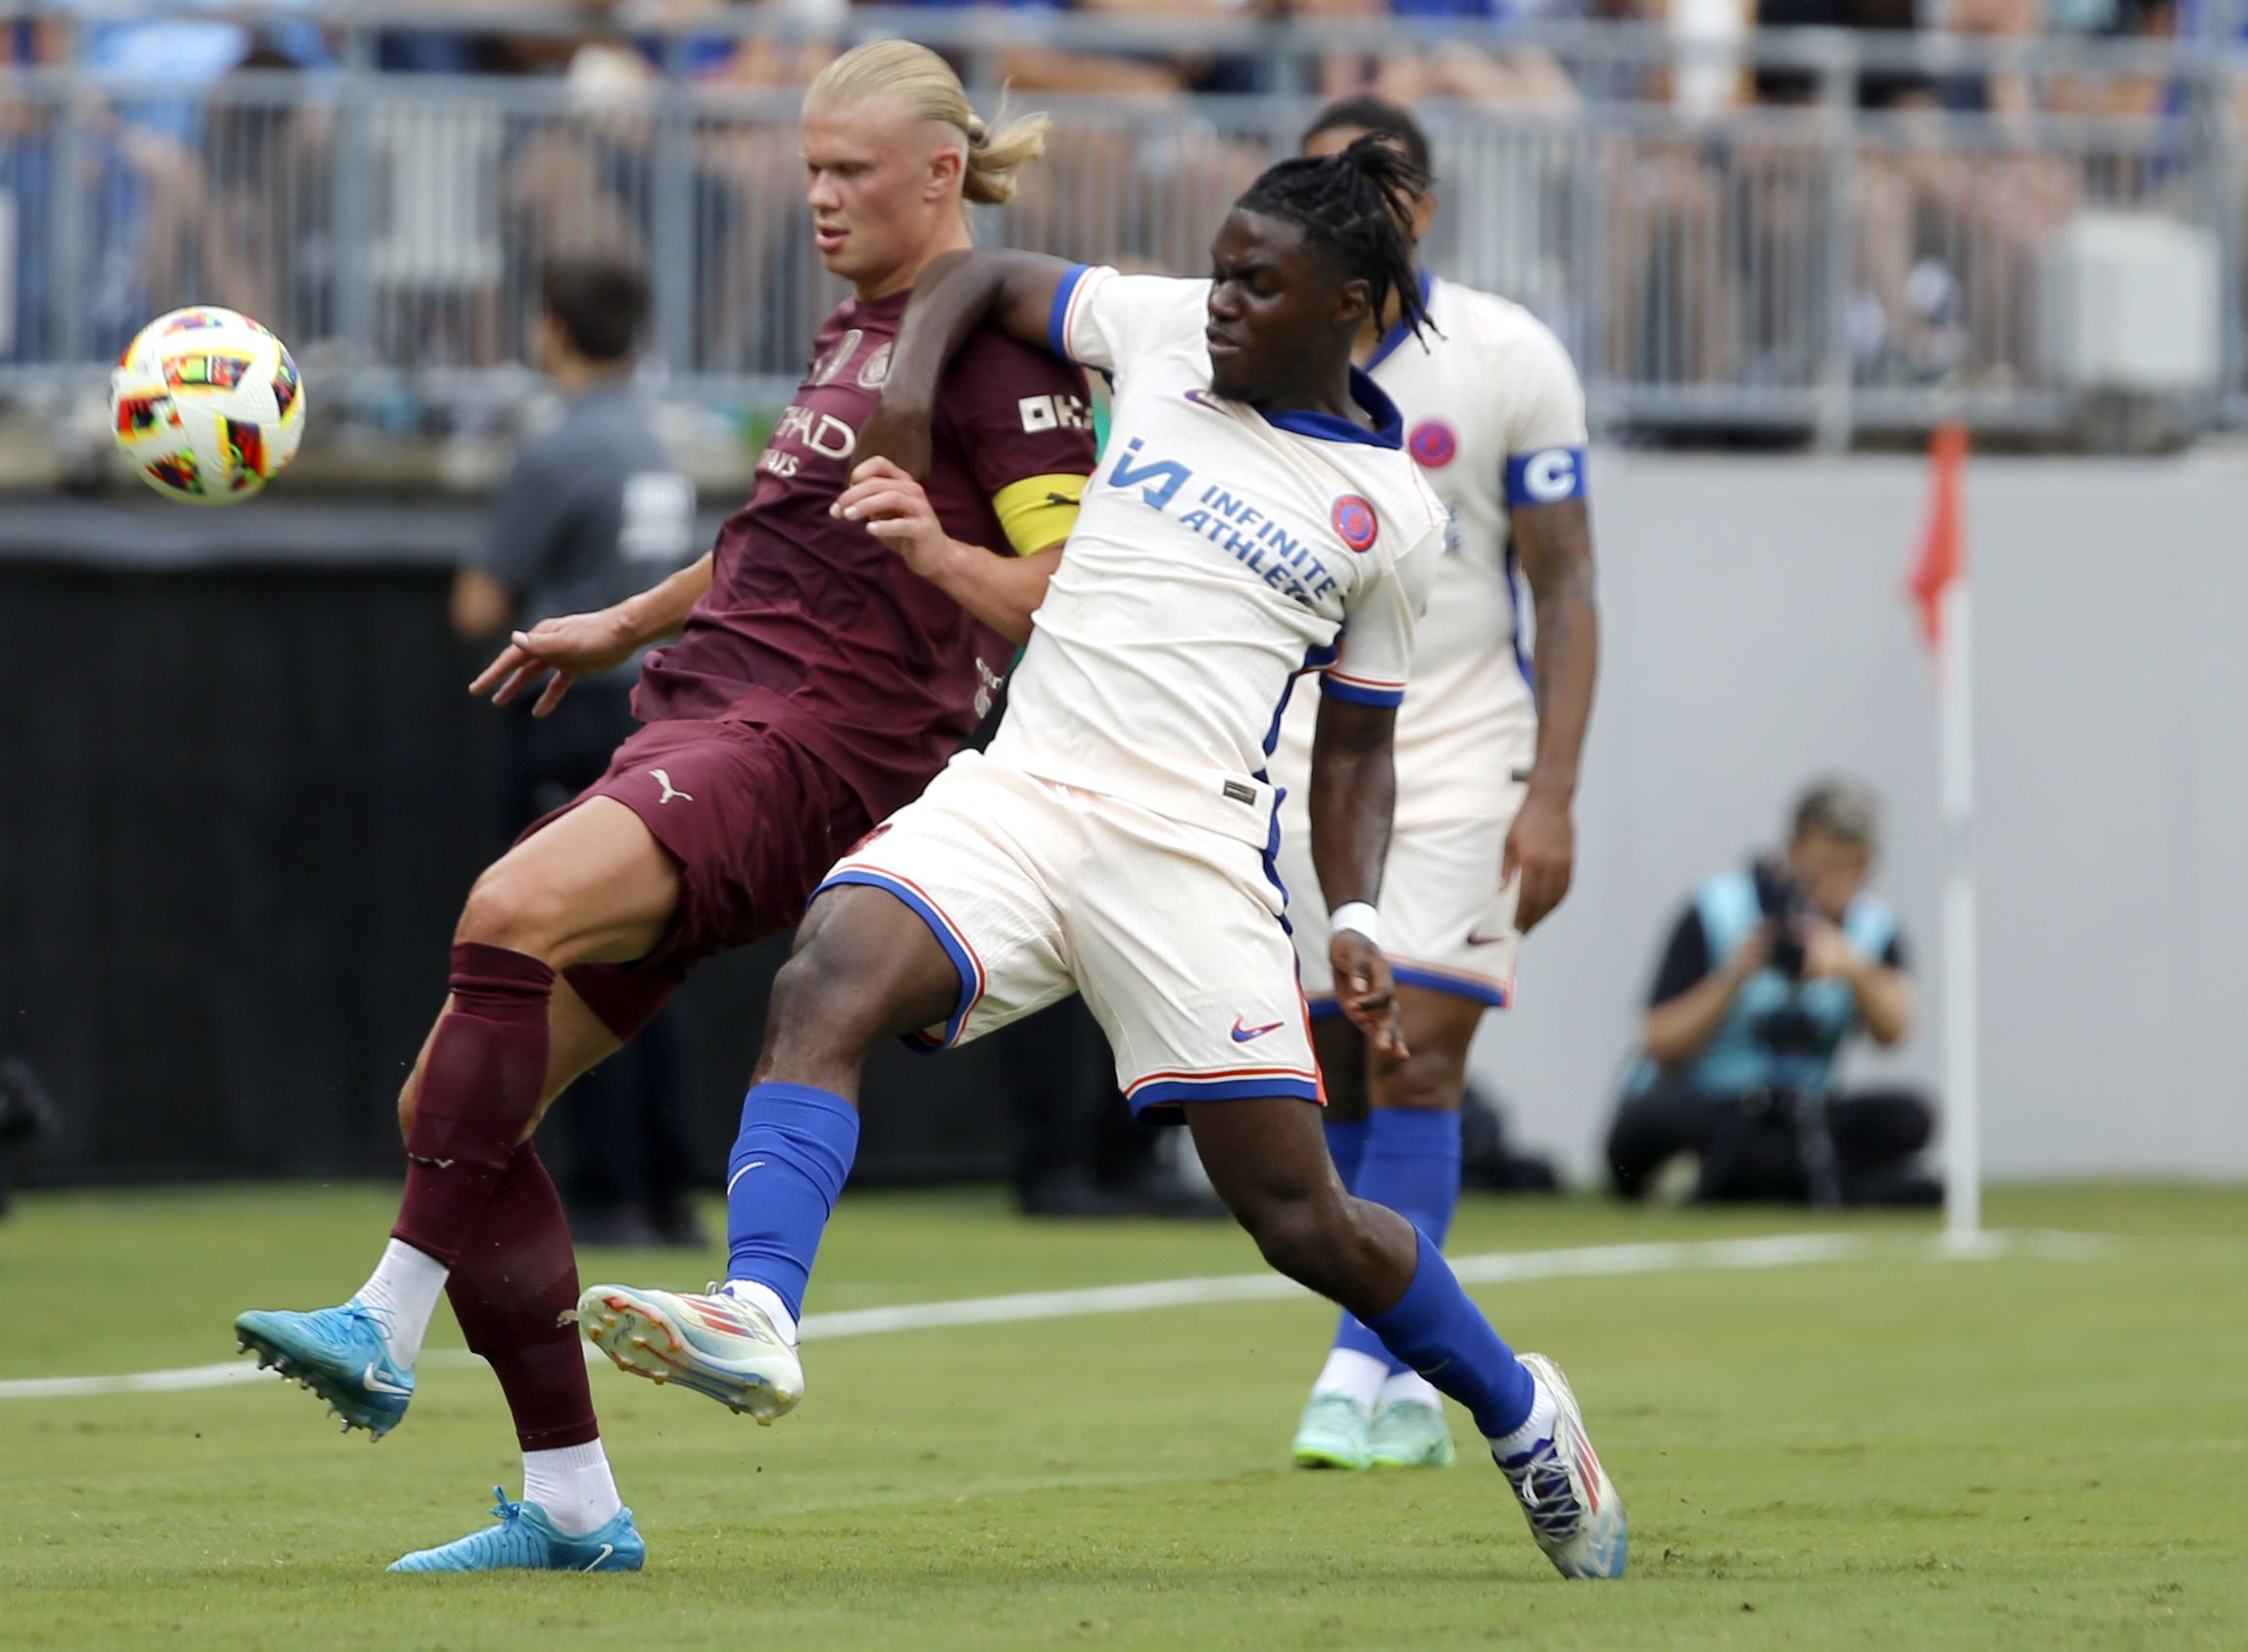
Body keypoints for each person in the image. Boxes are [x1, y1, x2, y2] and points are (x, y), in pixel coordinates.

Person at [577, 138, 1629, 1581]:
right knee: (826, 972)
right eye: (1221, 270)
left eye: (1258, 285)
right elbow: (981, 275)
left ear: (1345, 306)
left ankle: (1520, 1412)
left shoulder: (1392, 513)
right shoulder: (1157, 326)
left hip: (1188, 857)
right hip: (1021, 790)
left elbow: (1353, 748)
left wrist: (1353, 912)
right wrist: (904, 391)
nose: (1222, 300)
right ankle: (757, 1310)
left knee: (1299, 1217)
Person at [231, 41, 1100, 1575]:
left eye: (848, 171)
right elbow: (777, 533)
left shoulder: (999, 355)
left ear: (940, 173)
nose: (817, 196)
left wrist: (938, 561)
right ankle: (573, 1501)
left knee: (507, 907)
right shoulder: (866, 325)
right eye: (808, 167)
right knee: (450, 1112)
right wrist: (621, 624)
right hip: (711, 711)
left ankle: (383, 1315)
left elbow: (1068, 591)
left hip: (815, 741)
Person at [1263, 98, 1600, 1478]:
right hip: (1306, 755)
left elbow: (1564, 583)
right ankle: (1405, 1369)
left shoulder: (1509, 355)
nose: (1354, 201)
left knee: (1419, 1047)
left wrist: (1553, 792)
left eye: (1379, 181)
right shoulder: (1258, 350)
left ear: (1426, 207)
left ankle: (1354, 1365)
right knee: (1335, 1055)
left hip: (1466, 744)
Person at [449, 255, 705, 1247]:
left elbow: (479, 604)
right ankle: (668, 1189)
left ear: (552, 326)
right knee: (649, 951)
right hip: (660, 718)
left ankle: (603, 1190)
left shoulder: (557, 448)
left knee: (557, 948)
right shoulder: (660, 436)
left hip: (573, 712)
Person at [1604, 780, 1937, 1206]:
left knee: (1909, 1117)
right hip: (1711, 1105)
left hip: (1803, 1115)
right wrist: (1733, 978)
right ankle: (1843, 1185)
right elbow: (1658, 1044)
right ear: (1791, 853)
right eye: (1824, 867)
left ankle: (1726, 1179)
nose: (1835, 884)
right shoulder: (1716, 909)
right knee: (1645, 1121)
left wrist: (1853, 968)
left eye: (1851, 868)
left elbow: (1895, 1032)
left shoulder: (1873, 930)